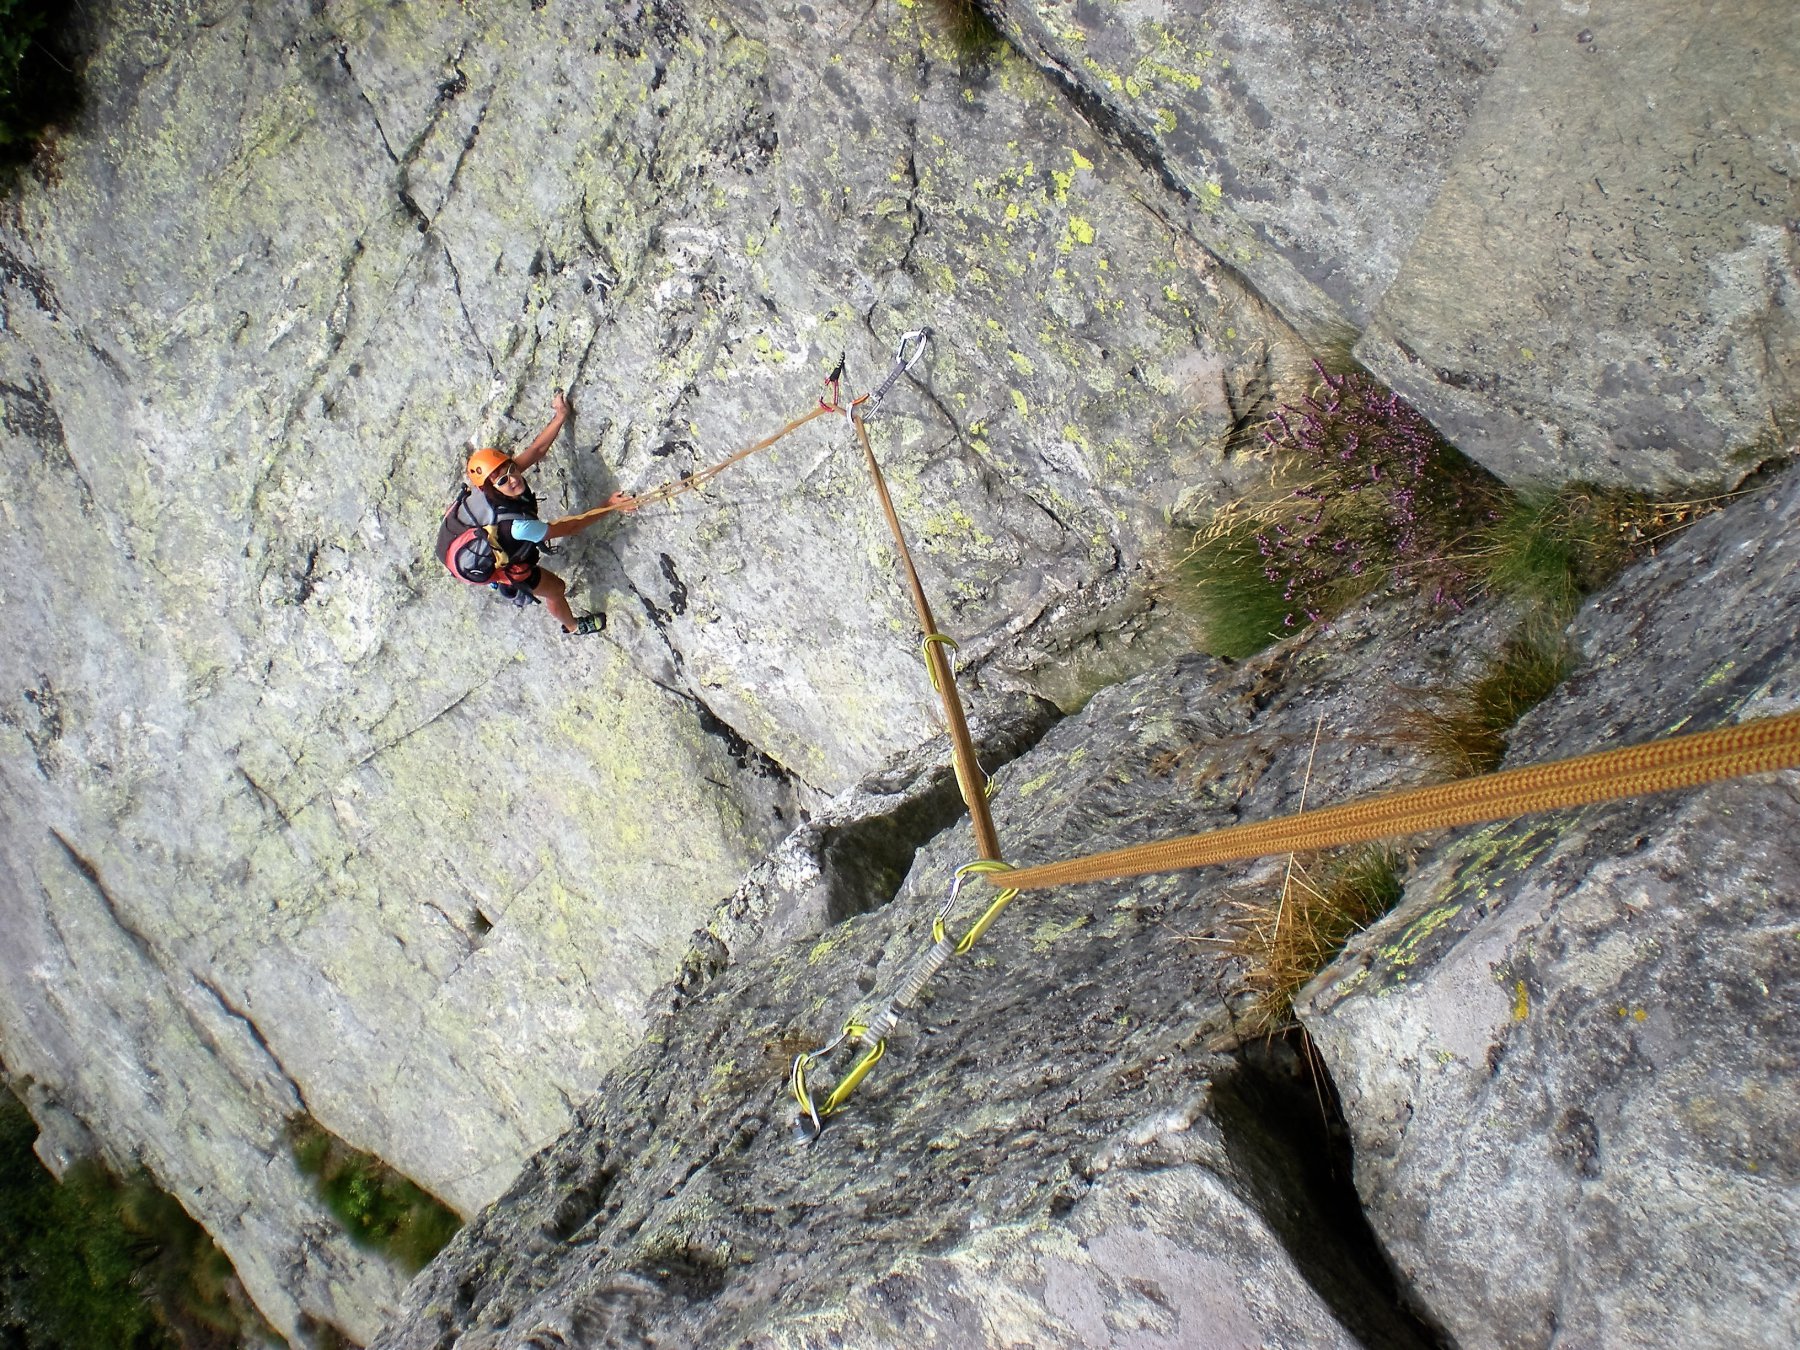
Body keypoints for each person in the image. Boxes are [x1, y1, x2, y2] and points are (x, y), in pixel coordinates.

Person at [436, 390, 633, 634]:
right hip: (498, 556)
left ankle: (495, 558)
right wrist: (610, 506)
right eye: (502, 481)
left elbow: (538, 449)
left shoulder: (488, 484)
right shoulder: (518, 526)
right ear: (490, 487)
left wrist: (560, 415)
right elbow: (570, 527)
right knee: (557, 589)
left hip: (466, 538)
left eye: (510, 470)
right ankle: (573, 626)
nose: (512, 480)